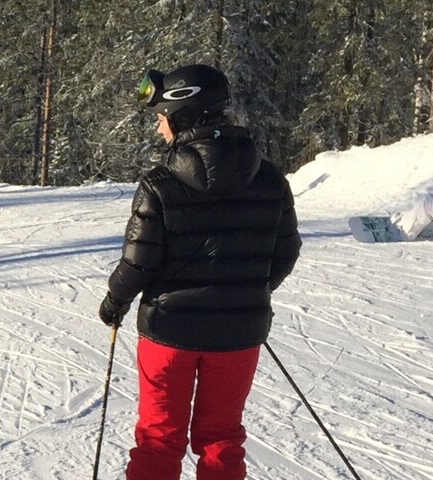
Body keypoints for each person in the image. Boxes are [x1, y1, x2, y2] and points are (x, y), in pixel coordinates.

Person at [98, 64, 301, 480]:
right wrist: (245, 291)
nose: (158, 130)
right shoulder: (269, 177)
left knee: (159, 437)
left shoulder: (159, 182)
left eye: (160, 119)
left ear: (182, 115)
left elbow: (138, 262)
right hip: (239, 334)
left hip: (169, 333)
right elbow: (286, 251)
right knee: (221, 437)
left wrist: (114, 301)